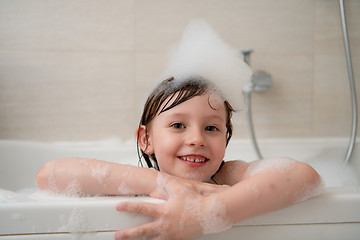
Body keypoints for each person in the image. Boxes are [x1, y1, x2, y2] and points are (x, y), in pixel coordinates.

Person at [36, 20, 322, 240]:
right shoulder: (139, 180)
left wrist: (208, 213)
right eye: (177, 125)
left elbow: (303, 176)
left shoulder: (225, 176)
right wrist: (156, 183)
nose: (197, 139)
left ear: (226, 137)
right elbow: (49, 175)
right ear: (145, 139)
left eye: (211, 127)